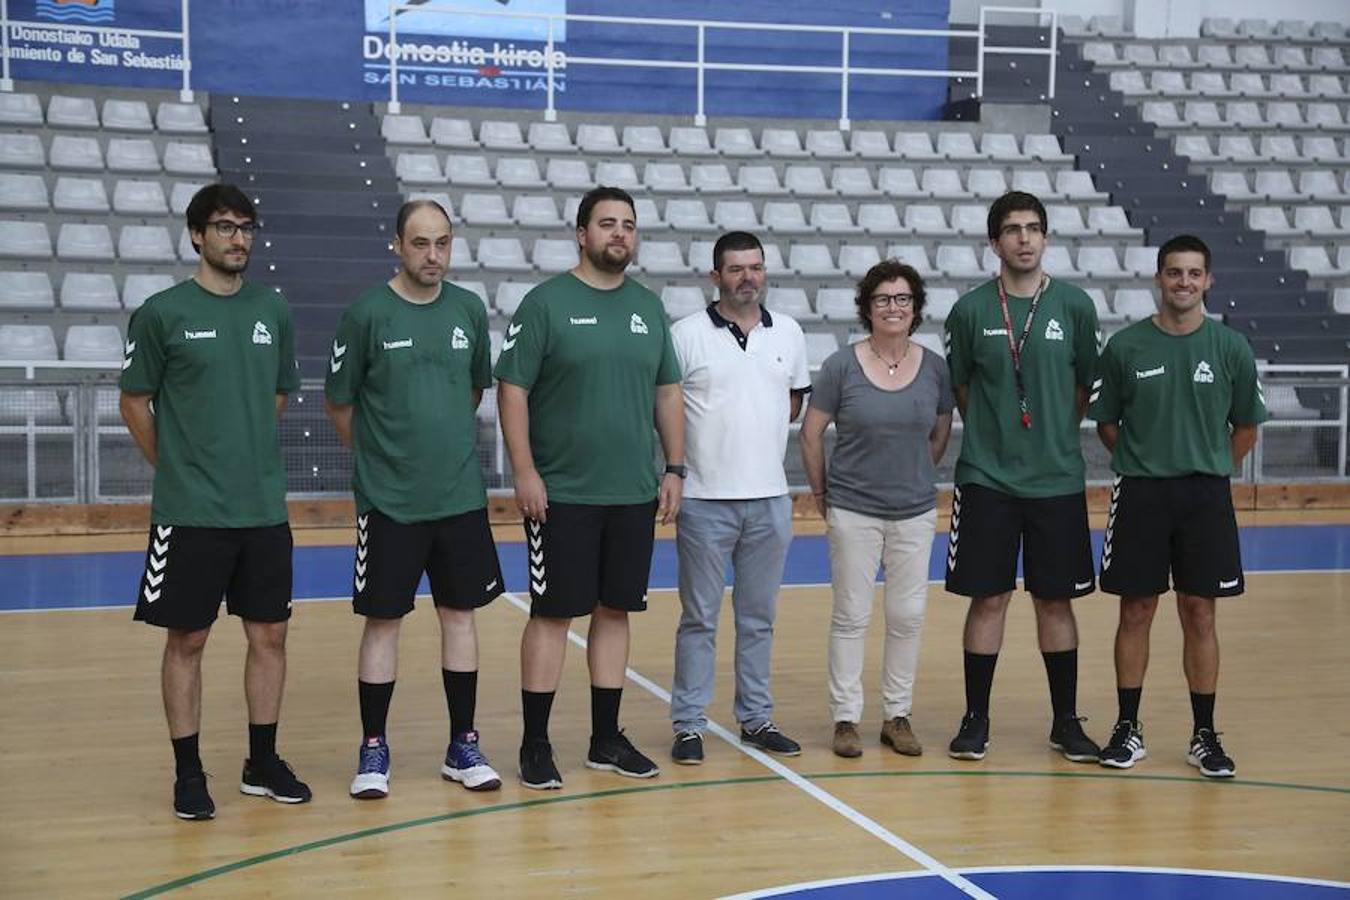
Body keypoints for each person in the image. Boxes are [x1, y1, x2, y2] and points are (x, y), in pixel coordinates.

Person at [119, 183, 310, 820]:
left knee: (271, 636)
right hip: (190, 511)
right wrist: (176, 464)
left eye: (246, 227)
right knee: (189, 641)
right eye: (225, 227)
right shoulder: (161, 313)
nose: (238, 238)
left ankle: (262, 761)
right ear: (197, 235)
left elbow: (278, 394)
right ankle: (188, 771)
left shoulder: (272, 310)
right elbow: (134, 402)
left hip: (261, 508)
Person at [494, 186, 685, 790]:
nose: (620, 234)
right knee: (552, 615)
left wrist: (674, 467)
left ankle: (606, 739)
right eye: (608, 224)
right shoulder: (545, 303)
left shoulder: (648, 307)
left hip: (630, 491)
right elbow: (512, 389)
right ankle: (535, 744)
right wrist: (524, 470)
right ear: (582, 234)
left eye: (629, 225)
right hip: (562, 494)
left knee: (614, 612)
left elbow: (667, 392)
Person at [325, 200, 505, 799]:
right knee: (383, 623)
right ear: (397, 246)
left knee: (460, 617)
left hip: (458, 497)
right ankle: (373, 749)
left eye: (443, 243)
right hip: (389, 503)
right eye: (422, 243)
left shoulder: (468, 310)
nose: (434, 255)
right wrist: (383, 460)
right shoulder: (367, 314)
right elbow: (340, 403)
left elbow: (474, 388)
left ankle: (464, 744)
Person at [1088, 235, 1266, 778]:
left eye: (1193, 274)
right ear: (1158, 279)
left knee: (1199, 612)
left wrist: (1208, 463)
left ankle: (1204, 735)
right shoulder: (1126, 348)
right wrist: (1148, 462)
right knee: (1136, 610)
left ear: (1208, 281)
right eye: (1173, 273)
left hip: (1205, 495)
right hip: (1142, 492)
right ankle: (1127, 728)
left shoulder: (1231, 348)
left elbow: (1246, 428)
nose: (1183, 282)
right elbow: (1108, 424)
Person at [941, 191, 1102, 763]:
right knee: (988, 600)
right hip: (987, 478)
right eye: (1012, 230)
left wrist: (1051, 429)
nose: (1025, 239)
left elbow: (1085, 387)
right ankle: (975, 719)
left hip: (1056, 479)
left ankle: (1065, 721)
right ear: (995, 242)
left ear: (1046, 238)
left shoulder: (1077, 307)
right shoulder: (970, 311)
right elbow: (962, 390)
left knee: (1056, 603)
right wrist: (998, 434)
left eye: (1034, 228)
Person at [801, 260, 954, 758]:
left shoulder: (934, 367)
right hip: (853, 510)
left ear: (916, 308)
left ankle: (897, 716)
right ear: (868, 308)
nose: (894, 307)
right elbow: (810, 434)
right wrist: (822, 493)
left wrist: (912, 472)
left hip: (913, 510)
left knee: (908, 615)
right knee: (850, 614)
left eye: (903, 299)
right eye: (884, 299)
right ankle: (846, 719)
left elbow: (939, 431)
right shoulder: (841, 366)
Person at [668, 231, 811, 765]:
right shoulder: (685, 335)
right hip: (704, 500)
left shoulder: (790, 333)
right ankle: (688, 724)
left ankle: (756, 717)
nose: (746, 277)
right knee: (698, 618)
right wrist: (675, 471)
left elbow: (793, 402)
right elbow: (667, 408)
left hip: (770, 500)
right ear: (715, 276)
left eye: (755, 267)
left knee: (759, 618)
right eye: (735, 269)